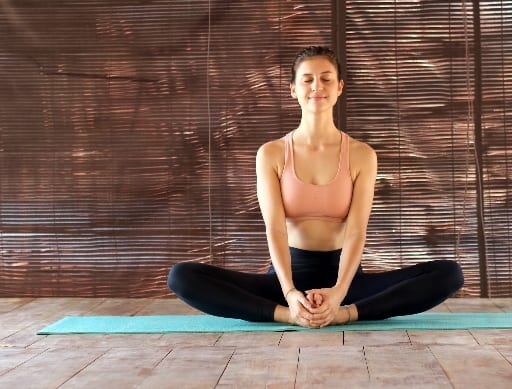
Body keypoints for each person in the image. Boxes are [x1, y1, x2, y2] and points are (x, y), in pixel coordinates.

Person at [167, 46, 463, 327]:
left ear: (340, 87)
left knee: (449, 274)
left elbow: (357, 231)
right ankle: (287, 315)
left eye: (326, 79)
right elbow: (275, 229)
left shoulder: (362, 154)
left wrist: (337, 295)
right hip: (284, 281)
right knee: (182, 276)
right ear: (294, 90)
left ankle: (345, 315)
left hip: (348, 283)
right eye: (307, 79)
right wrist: (290, 295)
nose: (317, 86)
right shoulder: (271, 153)